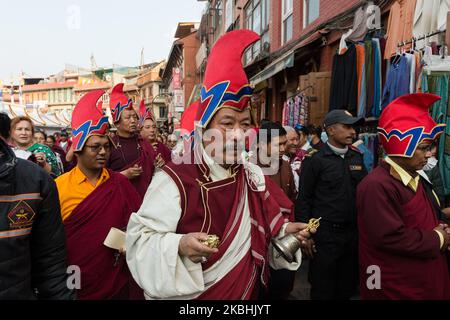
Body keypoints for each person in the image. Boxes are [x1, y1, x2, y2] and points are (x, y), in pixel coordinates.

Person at [126, 30, 314, 300]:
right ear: (205, 128)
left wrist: (285, 231)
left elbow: (265, 226)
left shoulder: (251, 175)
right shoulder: (174, 179)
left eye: (245, 124)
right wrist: (179, 245)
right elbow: (139, 242)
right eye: (227, 124)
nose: (238, 134)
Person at [357, 93, 450, 300]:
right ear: (402, 146)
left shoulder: (416, 177)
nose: (430, 154)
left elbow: (422, 219)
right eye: (424, 148)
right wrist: (437, 238)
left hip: (424, 276)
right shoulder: (376, 185)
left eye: (431, 147)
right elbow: (389, 237)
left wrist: (442, 226)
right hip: (397, 283)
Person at [56, 90, 143, 300]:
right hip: (75, 277)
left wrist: (129, 241)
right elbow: (50, 240)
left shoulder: (119, 183)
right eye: (95, 147)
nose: (103, 152)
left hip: (116, 276)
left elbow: (140, 223)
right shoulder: (60, 186)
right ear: (77, 149)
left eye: (106, 147)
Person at [0, 112, 73, 300]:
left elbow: (51, 263)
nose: (23, 133)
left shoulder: (35, 180)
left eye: (27, 129)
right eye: (20, 129)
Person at [295, 109, 367, 300]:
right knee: (323, 289)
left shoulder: (356, 157)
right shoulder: (315, 159)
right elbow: (304, 199)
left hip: (352, 236)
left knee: (347, 288)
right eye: (347, 127)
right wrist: (306, 236)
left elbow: (364, 194)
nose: (353, 132)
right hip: (325, 237)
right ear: (332, 130)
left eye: (353, 127)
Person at [258, 122, 297, 300]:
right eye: (278, 144)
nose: (283, 148)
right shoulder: (249, 168)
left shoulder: (286, 166)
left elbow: (292, 201)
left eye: (284, 143)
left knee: (283, 286)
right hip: (260, 241)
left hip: (284, 239)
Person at [107, 83, 156, 199]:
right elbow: (100, 177)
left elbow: (153, 169)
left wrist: (158, 163)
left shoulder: (143, 142)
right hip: (120, 199)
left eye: (135, 117)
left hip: (145, 199)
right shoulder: (109, 145)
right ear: (117, 123)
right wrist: (123, 175)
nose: (133, 121)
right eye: (128, 118)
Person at [139, 101, 171, 166]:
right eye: (147, 127)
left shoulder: (161, 146)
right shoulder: (137, 146)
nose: (152, 130)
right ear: (140, 130)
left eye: (154, 127)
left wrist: (164, 164)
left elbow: (172, 164)